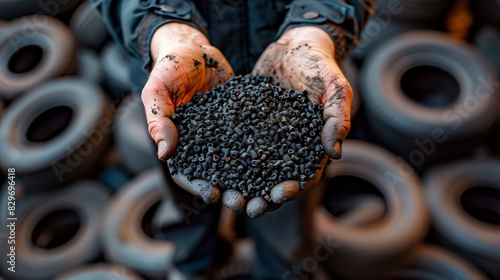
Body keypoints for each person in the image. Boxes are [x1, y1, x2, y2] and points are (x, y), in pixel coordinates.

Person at [93, 0, 374, 279]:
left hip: (296, 67)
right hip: (179, 82)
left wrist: (316, 28)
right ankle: (194, 264)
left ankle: (283, 270)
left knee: (287, 219)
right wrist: (164, 27)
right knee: (183, 188)